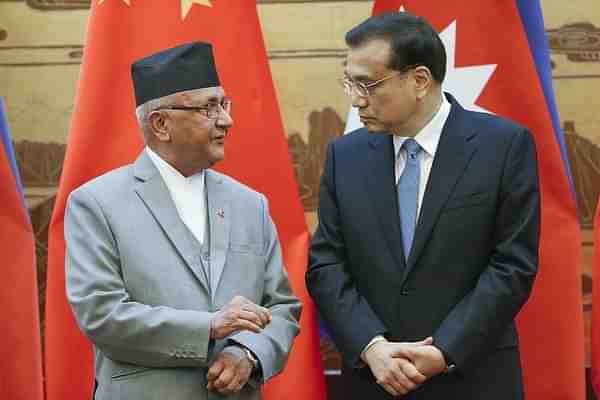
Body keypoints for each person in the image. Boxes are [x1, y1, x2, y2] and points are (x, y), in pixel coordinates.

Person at [306, 12, 539, 400]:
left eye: (367, 84)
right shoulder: (345, 156)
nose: (355, 98)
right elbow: (326, 263)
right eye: (349, 82)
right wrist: (372, 347)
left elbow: (512, 264)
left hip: (472, 376)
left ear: (418, 80)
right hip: (373, 379)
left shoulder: (503, 147)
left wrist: (444, 350)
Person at [65, 42, 301, 400]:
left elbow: (281, 307)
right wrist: (208, 327)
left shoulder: (250, 204)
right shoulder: (96, 203)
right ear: (161, 124)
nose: (226, 119)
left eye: (224, 103)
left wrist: (248, 353)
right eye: (209, 108)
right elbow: (102, 314)